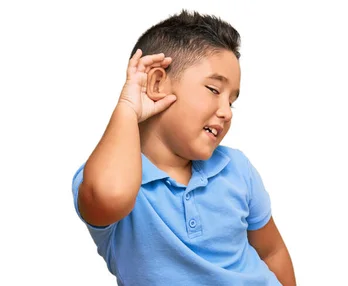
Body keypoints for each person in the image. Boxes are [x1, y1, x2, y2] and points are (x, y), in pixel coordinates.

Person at [71, 9, 296, 286]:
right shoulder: (111, 177)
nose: (226, 112)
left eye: (232, 100)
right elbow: (109, 195)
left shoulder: (236, 169)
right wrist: (128, 109)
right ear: (155, 82)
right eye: (214, 90)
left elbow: (271, 251)